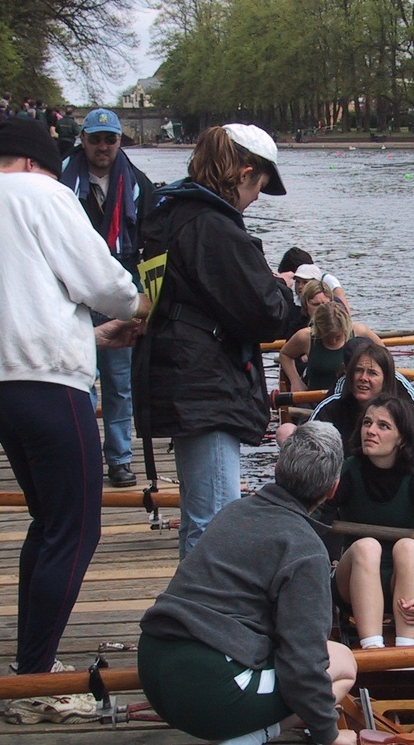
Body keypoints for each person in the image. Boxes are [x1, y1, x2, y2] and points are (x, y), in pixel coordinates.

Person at [0, 117, 152, 724]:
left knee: (50, 521)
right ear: (36, 161)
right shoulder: (42, 193)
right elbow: (103, 280)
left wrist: (88, 337)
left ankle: (31, 660)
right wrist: (145, 304)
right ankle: (34, 678)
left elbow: (15, 296)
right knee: (78, 528)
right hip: (47, 382)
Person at [137, 421, 357, 745]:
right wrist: (330, 736)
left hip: (152, 661)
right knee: (343, 663)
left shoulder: (233, 511)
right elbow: (304, 668)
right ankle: (249, 738)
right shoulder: (307, 551)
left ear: (278, 467)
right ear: (332, 489)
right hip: (212, 688)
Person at [134, 123, 297, 558]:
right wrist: (281, 288)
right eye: (259, 184)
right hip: (202, 388)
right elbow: (266, 314)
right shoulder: (213, 226)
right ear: (244, 172)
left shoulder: (172, 210)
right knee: (214, 522)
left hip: (177, 375)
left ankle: (198, 616)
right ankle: (203, 621)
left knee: (201, 516)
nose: (258, 196)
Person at [60, 108, 158, 488]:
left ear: (120, 141)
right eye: (95, 139)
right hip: (73, 287)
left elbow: (152, 242)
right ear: (82, 139)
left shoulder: (138, 184)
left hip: (121, 287)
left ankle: (118, 459)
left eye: (110, 139)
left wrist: (148, 297)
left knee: (119, 382)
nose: (103, 146)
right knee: (77, 375)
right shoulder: (59, 182)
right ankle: (80, 455)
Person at [317, 395, 414, 649]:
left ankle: (407, 651)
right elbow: (314, 528)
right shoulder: (346, 471)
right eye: (367, 423)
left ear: (402, 438)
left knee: (409, 547)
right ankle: (372, 647)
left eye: (383, 426)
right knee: (367, 546)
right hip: (352, 584)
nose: (370, 430)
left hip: (406, 581)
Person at [309, 339, 414, 476]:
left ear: (386, 379)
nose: (363, 378)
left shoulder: (402, 412)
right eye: (358, 370)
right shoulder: (330, 407)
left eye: (372, 373)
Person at [280, 300, 381, 394]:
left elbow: (384, 355)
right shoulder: (305, 337)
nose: (332, 341)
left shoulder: (360, 331)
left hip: (352, 398)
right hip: (315, 399)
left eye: (337, 337)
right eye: (326, 336)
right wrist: (295, 380)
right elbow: (285, 355)